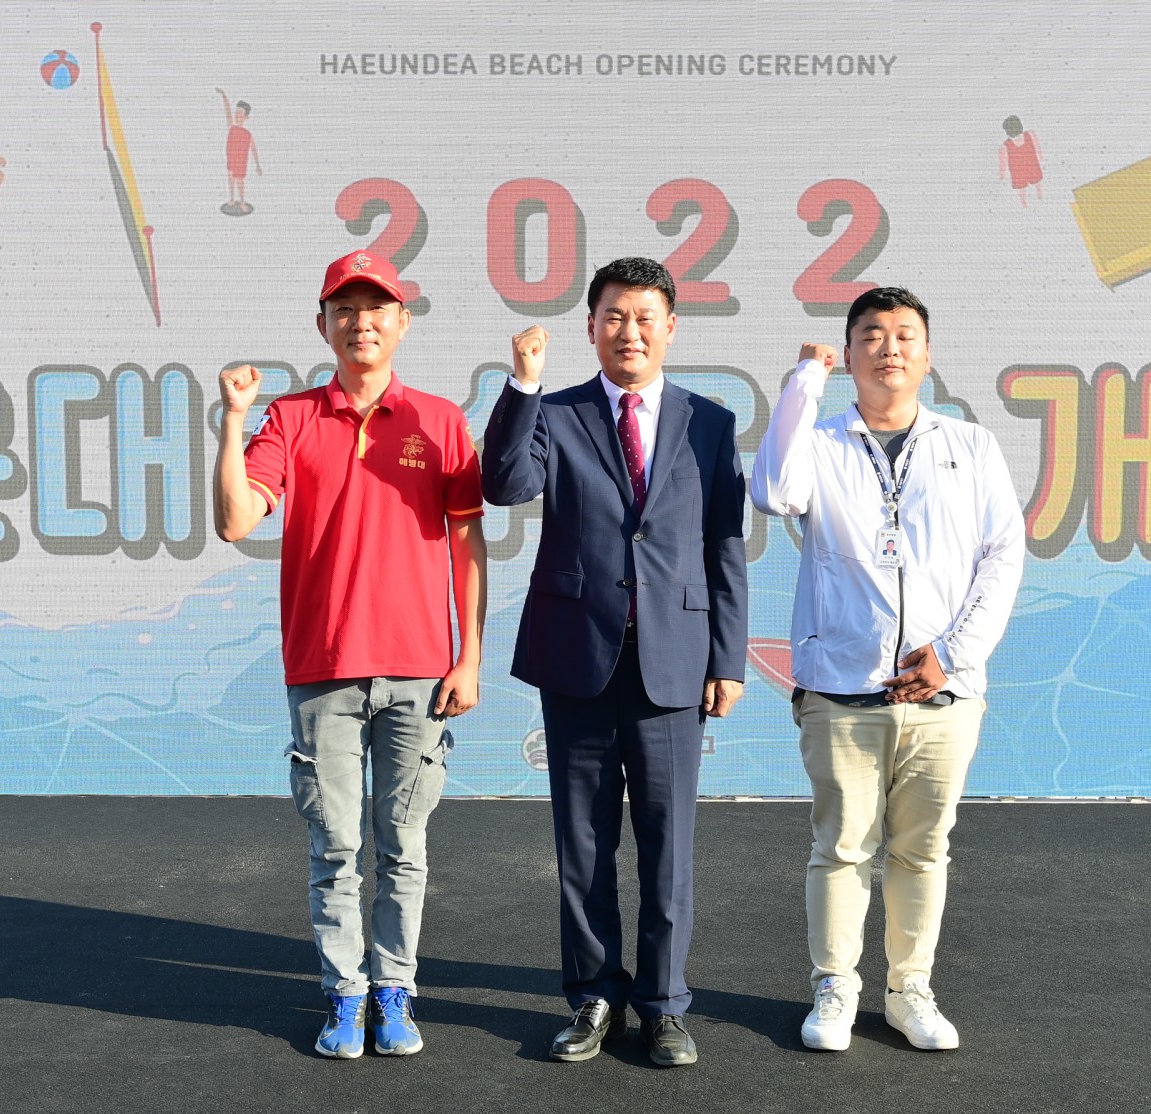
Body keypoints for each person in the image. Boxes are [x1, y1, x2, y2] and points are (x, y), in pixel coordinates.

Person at [213, 249, 487, 1059]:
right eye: (345, 309)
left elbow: (467, 544)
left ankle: (395, 990)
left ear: (402, 323)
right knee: (334, 848)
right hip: (323, 668)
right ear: (323, 324)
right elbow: (235, 521)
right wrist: (233, 421)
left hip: (419, 670)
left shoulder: (439, 420)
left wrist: (469, 656)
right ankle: (345, 994)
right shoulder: (292, 418)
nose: (360, 322)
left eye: (376, 309)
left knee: (404, 847)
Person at [481, 257, 749, 1067]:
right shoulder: (556, 413)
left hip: (675, 660)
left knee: (668, 846)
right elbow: (504, 483)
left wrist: (728, 657)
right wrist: (523, 385)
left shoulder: (710, 423)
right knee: (584, 845)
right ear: (592, 327)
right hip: (578, 658)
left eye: (644, 318)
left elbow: (724, 546)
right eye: (614, 317)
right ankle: (594, 996)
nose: (629, 332)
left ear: (670, 328)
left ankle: (664, 1006)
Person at [750, 287, 1023, 1053]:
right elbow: (772, 492)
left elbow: (1004, 555)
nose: (889, 347)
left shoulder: (970, 445)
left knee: (922, 849)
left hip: (944, 691)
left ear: (928, 355)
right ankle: (835, 986)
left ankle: (910, 990)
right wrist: (803, 384)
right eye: (872, 334)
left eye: (905, 334)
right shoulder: (821, 441)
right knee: (841, 847)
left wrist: (952, 655)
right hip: (842, 684)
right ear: (850, 354)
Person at [216, 89, 262, 214]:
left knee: (240, 181)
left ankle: (242, 201)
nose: (237, 116)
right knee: (231, 178)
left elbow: (254, 150)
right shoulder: (232, 127)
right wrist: (224, 96)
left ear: (246, 117)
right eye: (236, 113)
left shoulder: (248, 134)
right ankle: (231, 198)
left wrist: (258, 165)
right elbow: (227, 111)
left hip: (241, 162)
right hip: (231, 160)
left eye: (240, 114)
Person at [999, 115, 1043, 206]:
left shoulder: (1005, 145)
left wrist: (1002, 175)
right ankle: (1039, 198)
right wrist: (1040, 157)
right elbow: (1037, 147)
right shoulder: (1030, 134)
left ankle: (1025, 204)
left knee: (1022, 189)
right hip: (1031, 165)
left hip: (1018, 170)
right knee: (1037, 184)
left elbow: (1003, 163)